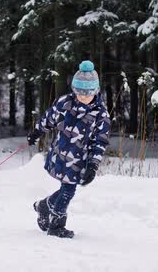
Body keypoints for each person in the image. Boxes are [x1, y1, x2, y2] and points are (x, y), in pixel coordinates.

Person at [28, 60, 110, 238]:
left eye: (87, 94)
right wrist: (36, 132)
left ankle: (44, 207)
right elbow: (49, 118)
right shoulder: (65, 103)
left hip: (79, 160)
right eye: (79, 93)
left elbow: (100, 142)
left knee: (68, 189)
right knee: (68, 190)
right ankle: (56, 225)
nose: (82, 97)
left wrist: (93, 166)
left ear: (95, 92)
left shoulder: (100, 115)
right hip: (60, 154)